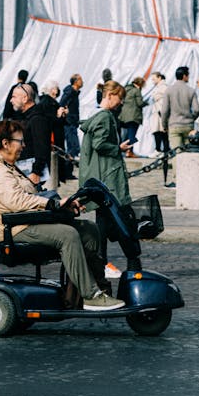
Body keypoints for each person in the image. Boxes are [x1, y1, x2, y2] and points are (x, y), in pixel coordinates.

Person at [0, 119, 125, 311]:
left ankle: (83, 293)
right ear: (5, 143)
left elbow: (30, 196)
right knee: (67, 235)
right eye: (20, 141)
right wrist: (53, 204)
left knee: (88, 229)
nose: (24, 146)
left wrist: (63, 206)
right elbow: (16, 202)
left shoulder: (6, 165)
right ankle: (91, 296)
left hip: (24, 222)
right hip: (13, 229)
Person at [79, 80, 134, 278]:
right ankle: (104, 263)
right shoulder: (105, 117)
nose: (121, 103)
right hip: (107, 177)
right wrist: (118, 149)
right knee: (112, 220)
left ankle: (101, 262)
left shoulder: (96, 115)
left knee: (103, 220)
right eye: (120, 98)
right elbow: (100, 144)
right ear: (110, 96)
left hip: (99, 176)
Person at [161, 66, 199, 188]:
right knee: (188, 154)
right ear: (184, 76)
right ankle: (189, 177)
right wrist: (192, 117)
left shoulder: (169, 90)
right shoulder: (191, 90)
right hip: (188, 125)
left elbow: (164, 110)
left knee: (176, 154)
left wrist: (164, 124)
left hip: (174, 124)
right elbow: (197, 109)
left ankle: (177, 180)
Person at [9, 82, 51, 185]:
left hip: (32, 174)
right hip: (25, 170)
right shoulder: (27, 117)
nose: (11, 100)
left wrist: (36, 171)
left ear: (25, 98)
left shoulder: (37, 119)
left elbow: (42, 147)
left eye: (14, 97)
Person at [119, 76, 148, 157]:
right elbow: (139, 103)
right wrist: (146, 102)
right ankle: (130, 151)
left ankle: (123, 150)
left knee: (127, 134)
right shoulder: (136, 90)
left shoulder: (125, 89)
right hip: (134, 115)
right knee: (132, 134)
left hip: (124, 116)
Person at [59, 74, 84, 159]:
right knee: (71, 141)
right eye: (80, 80)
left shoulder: (75, 93)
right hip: (69, 121)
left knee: (74, 141)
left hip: (73, 121)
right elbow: (62, 103)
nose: (82, 82)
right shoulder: (70, 92)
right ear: (76, 82)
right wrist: (66, 112)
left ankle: (74, 156)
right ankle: (71, 159)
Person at [148, 71, 169, 156]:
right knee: (160, 132)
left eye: (154, 79)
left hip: (160, 112)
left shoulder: (163, 87)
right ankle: (163, 150)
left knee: (160, 131)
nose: (153, 81)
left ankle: (159, 150)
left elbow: (162, 101)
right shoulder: (159, 87)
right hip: (158, 112)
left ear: (159, 77)